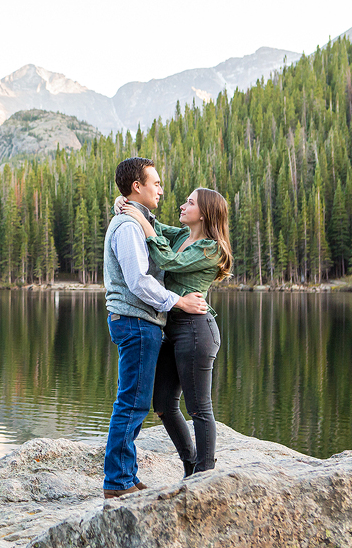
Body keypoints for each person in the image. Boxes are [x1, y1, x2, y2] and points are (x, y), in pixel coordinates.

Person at [102, 157, 208, 499]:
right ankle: (117, 482)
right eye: (156, 183)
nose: (161, 189)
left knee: (133, 400)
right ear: (138, 186)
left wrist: (126, 206)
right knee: (131, 403)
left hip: (139, 323)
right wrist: (178, 302)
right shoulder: (130, 226)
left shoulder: (138, 220)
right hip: (136, 322)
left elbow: (160, 235)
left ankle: (126, 475)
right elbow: (138, 281)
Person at [119, 187, 233, 477]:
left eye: (190, 202)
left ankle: (206, 474)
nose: (182, 205)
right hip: (172, 329)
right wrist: (124, 204)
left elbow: (170, 261)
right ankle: (190, 465)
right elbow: (154, 226)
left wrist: (142, 222)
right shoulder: (183, 236)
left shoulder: (211, 248)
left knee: (199, 407)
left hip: (196, 331)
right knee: (163, 403)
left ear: (204, 213)